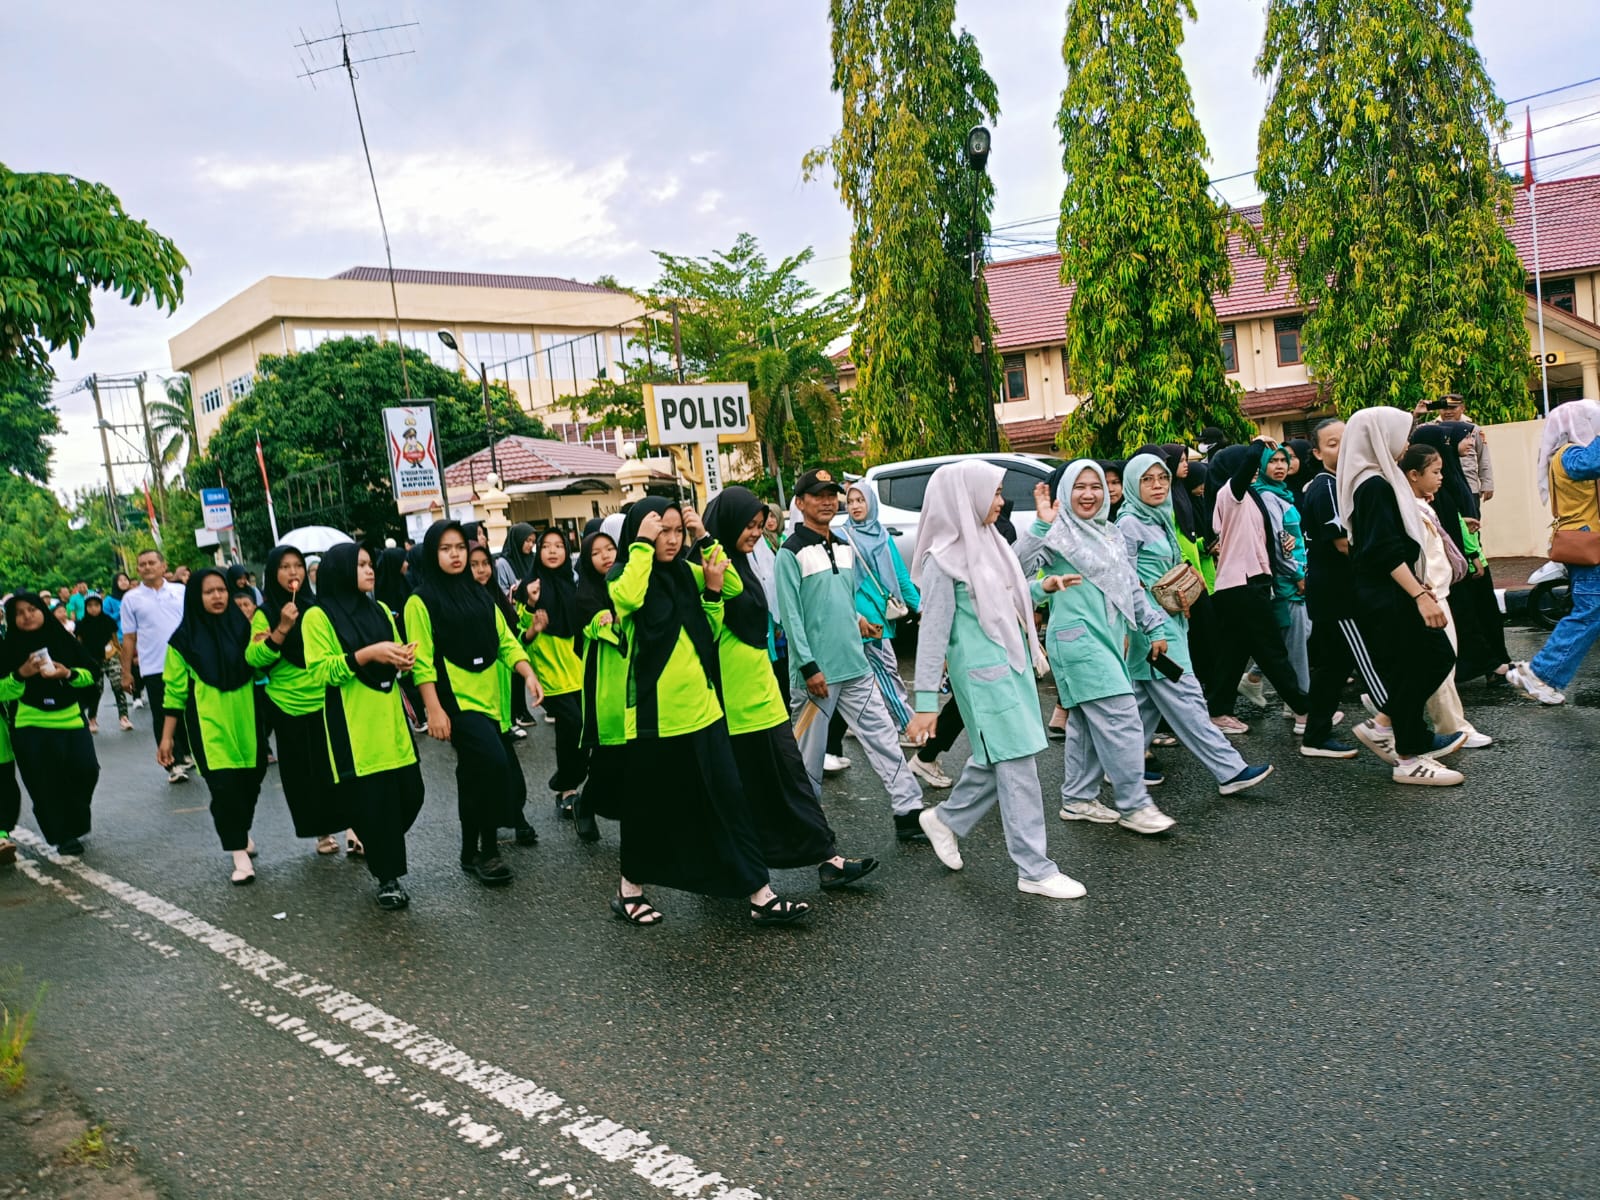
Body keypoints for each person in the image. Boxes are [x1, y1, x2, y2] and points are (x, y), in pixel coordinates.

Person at [606, 497, 807, 925]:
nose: (672, 540)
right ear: (642, 532)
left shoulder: (686, 573)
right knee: (648, 809)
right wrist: (642, 545)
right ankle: (629, 891)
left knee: (730, 803)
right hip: (652, 719)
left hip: (706, 712)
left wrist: (705, 537)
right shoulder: (624, 571)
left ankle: (761, 895)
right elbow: (627, 598)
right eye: (664, 530)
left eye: (679, 531)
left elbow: (732, 586)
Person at [904, 462, 1086, 898]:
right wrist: (926, 701)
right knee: (1019, 764)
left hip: (1012, 666)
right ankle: (1035, 869)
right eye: (996, 493)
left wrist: (1047, 586)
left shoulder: (988, 541)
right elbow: (932, 635)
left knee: (995, 760)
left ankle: (945, 820)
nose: (1002, 501)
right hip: (982, 679)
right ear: (966, 497)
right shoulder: (940, 561)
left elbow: (1009, 589)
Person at [700, 486, 878, 891]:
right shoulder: (713, 569)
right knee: (740, 795)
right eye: (747, 526)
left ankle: (828, 859)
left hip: (764, 696)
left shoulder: (746, 564)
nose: (755, 534)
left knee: (794, 783)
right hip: (731, 704)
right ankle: (740, 877)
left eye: (760, 526)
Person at [1017, 461, 1177, 835]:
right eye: (1079, 487)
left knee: (1088, 725)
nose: (1088, 494)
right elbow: (1016, 568)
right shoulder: (1056, 532)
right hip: (1077, 642)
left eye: (1096, 487)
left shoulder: (1110, 534)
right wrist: (1041, 524)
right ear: (1065, 492)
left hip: (1110, 640)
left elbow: (1129, 587)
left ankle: (1077, 798)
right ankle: (1136, 805)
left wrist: (1153, 625)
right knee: (1122, 719)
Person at [776, 469, 927, 843]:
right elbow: (791, 617)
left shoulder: (844, 545)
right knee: (808, 760)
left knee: (884, 741)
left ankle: (909, 813)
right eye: (817, 495)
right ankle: (808, 830)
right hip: (817, 678)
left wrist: (859, 620)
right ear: (800, 503)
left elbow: (841, 598)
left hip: (855, 666)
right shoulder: (789, 552)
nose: (827, 501)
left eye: (831, 494)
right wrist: (809, 668)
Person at [1117, 453, 1275, 796]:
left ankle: (1120, 769)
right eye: (1147, 480)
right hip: (1154, 633)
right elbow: (1127, 583)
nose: (1158, 485)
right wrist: (1151, 627)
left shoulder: (1159, 516)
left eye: (1162, 478)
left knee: (1142, 706)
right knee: (1188, 700)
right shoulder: (1128, 524)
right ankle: (1231, 770)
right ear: (1134, 484)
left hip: (1171, 625)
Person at [407, 520, 543, 887]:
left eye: (459, 548)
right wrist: (433, 709)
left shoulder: (479, 592)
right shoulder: (420, 600)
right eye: (445, 548)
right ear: (433, 554)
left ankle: (469, 852)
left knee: (473, 776)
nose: (455, 554)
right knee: (494, 766)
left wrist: (527, 672)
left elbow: (505, 640)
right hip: (456, 703)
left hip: (489, 700)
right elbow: (422, 661)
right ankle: (488, 851)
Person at [1338, 407, 1467, 784]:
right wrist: (1420, 595)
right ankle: (1399, 742)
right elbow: (1384, 550)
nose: (1407, 444)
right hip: (1388, 593)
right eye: (1403, 435)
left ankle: (1405, 742)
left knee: (1412, 665)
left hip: (1392, 589)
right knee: (1433, 656)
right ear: (1381, 436)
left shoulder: (1375, 479)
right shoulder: (1374, 485)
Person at [301, 543, 426, 911]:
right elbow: (322, 669)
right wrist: (368, 654)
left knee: (411, 795)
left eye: (371, 564)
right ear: (339, 570)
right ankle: (388, 878)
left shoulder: (380, 610)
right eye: (360, 565)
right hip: (354, 729)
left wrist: (402, 659)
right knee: (377, 804)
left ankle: (376, 840)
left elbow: (393, 658)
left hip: (391, 724)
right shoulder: (317, 617)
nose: (370, 570)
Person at [158, 568, 268, 883]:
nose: (218, 596)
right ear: (196, 597)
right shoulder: (182, 641)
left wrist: (266, 643)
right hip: (209, 728)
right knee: (225, 789)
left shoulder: (242, 629)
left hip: (247, 721)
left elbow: (260, 666)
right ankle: (239, 855)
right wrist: (167, 739)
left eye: (221, 590)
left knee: (252, 782)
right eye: (209, 592)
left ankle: (240, 831)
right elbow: (174, 693)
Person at [248, 545, 355, 857]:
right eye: (284, 567)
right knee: (305, 777)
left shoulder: (320, 608)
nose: (293, 572)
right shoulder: (265, 614)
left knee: (340, 767)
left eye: (297, 565)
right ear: (272, 573)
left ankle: (353, 826)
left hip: (327, 698)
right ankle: (321, 831)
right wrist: (281, 629)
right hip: (287, 704)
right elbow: (255, 659)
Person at [1204, 441, 1313, 731]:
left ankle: (1218, 711)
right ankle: (1304, 710)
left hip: (1246, 583)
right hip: (1242, 584)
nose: (1255, 471)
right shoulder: (1230, 493)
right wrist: (1254, 449)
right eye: (1256, 464)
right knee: (1271, 651)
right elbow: (1244, 472)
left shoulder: (1251, 496)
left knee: (1233, 654)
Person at [1510, 398, 1600, 704]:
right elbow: (1592, 464)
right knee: (1589, 613)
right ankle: (1540, 673)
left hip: (1588, 538)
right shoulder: (1568, 455)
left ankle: (1540, 672)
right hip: (1588, 543)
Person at [1401, 444, 1491, 747]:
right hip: (1430, 595)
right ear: (1414, 475)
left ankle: (1388, 707)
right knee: (1441, 664)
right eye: (1435, 472)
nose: (1441, 477)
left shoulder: (1422, 504)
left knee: (1438, 664)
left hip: (1439, 592)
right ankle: (1453, 728)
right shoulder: (1409, 508)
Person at [1410, 422, 1512, 686]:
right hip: (1457, 564)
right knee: (1468, 616)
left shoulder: (1447, 475)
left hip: (1464, 559)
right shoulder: (1431, 487)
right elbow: (1445, 526)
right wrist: (1470, 553)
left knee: (1480, 614)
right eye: (1445, 441)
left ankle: (1491, 662)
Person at [0, 593, 99, 856]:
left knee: (87, 771)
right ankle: (63, 835)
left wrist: (67, 673)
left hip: (70, 718)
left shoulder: (62, 639)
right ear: (12, 619)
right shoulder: (7, 649)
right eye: (19, 613)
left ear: (43, 610)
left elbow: (90, 674)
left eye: (32, 609)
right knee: (46, 783)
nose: (27, 615)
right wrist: (21, 674)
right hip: (30, 723)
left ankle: (75, 823)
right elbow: (1, 691)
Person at [1296, 419, 1363, 758]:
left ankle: (1315, 735)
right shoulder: (1325, 487)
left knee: (1333, 668)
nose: (1343, 447)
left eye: (1346, 439)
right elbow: (1343, 543)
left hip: (1334, 592)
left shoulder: (1342, 483)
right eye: (1333, 443)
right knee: (1367, 662)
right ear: (1318, 452)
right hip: (1338, 594)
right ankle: (1394, 730)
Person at [466, 543, 538, 845]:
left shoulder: (495, 599)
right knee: (491, 767)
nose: (481, 570)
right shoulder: (459, 602)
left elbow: (512, 639)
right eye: (474, 564)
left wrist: (532, 617)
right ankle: (486, 837)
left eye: (485, 564)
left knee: (505, 765)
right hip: (473, 700)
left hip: (501, 695)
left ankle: (511, 820)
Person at [519, 529, 589, 821]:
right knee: (571, 725)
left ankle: (570, 780)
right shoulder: (530, 587)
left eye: (559, 546)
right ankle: (566, 787)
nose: (552, 551)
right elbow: (521, 637)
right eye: (545, 546)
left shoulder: (573, 583)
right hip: (550, 674)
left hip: (577, 671)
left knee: (582, 730)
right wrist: (533, 609)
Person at [840, 482, 920, 736]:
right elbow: (840, 582)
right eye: (851, 502)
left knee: (867, 673)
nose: (855, 506)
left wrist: (921, 607)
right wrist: (854, 615)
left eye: (860, 501)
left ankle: (862, 724)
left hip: (883, 612)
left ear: (870, 503)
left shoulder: (882, 535)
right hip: (864, 617)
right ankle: (907, 725)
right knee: (886, 670)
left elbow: (900, 575)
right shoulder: (843, 537)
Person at [120, 548, 191, 783]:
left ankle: (188, 754)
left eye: (152, 562)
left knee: (188, 711)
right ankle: (173, 763)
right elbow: (128, 638)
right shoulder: (131, 599)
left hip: (187, 663)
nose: (147, 567)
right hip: (154, 666)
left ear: (163, 566)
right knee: (162, 715)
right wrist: (127, 672)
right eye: (142, 564)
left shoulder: (181, 591)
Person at [574, 528, 624, 844]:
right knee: (607, 758)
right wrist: (613, 619)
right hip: (603, 684)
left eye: (609, 549)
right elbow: (601, 629)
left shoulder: (629, 584)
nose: (605, 556)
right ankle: (585, 803)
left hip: (635, 681)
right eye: (596, 552)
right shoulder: (585, 595)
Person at [1253, 443, 1311, 705]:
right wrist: (1296, 575)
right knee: (1297, 647)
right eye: (1272, 461)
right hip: (1287, 581)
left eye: (1282, 461)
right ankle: (1302, 707)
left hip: (1295, 575)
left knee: (1300, 635)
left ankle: (1254, 678)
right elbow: (1279, 543)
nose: (1279, 466)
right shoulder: (1267, 496)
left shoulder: (1281, 493)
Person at [374, 546, 427, 729]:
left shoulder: (406, 581)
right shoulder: (381, 587)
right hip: (395, 639)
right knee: (407, 681)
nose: (406, 564)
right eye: (403, 560)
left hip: (410, 633)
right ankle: (418, 717)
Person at [74, 593, 127, 733]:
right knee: (97, 690)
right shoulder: (81, 624)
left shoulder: (108, 621)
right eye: (90, 606)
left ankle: (124, 717)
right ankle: (92, 719)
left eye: (96, 605)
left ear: (101, 606)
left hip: (110, 657)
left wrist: (120, 656)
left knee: (117, 685)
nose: (93, 609)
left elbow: (115, 641)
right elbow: (79, 645)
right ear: (86, 607)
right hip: (92, 661)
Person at [1437, 394, 1493, 503]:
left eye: (1453, 408)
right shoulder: (1432, 427)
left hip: (1469, 486)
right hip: (1443, 488)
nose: (1448, 412)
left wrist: (1487, 484)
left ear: (1462, 408)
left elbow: (1483, 457)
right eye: (1444, 408)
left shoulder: (1474, 429)